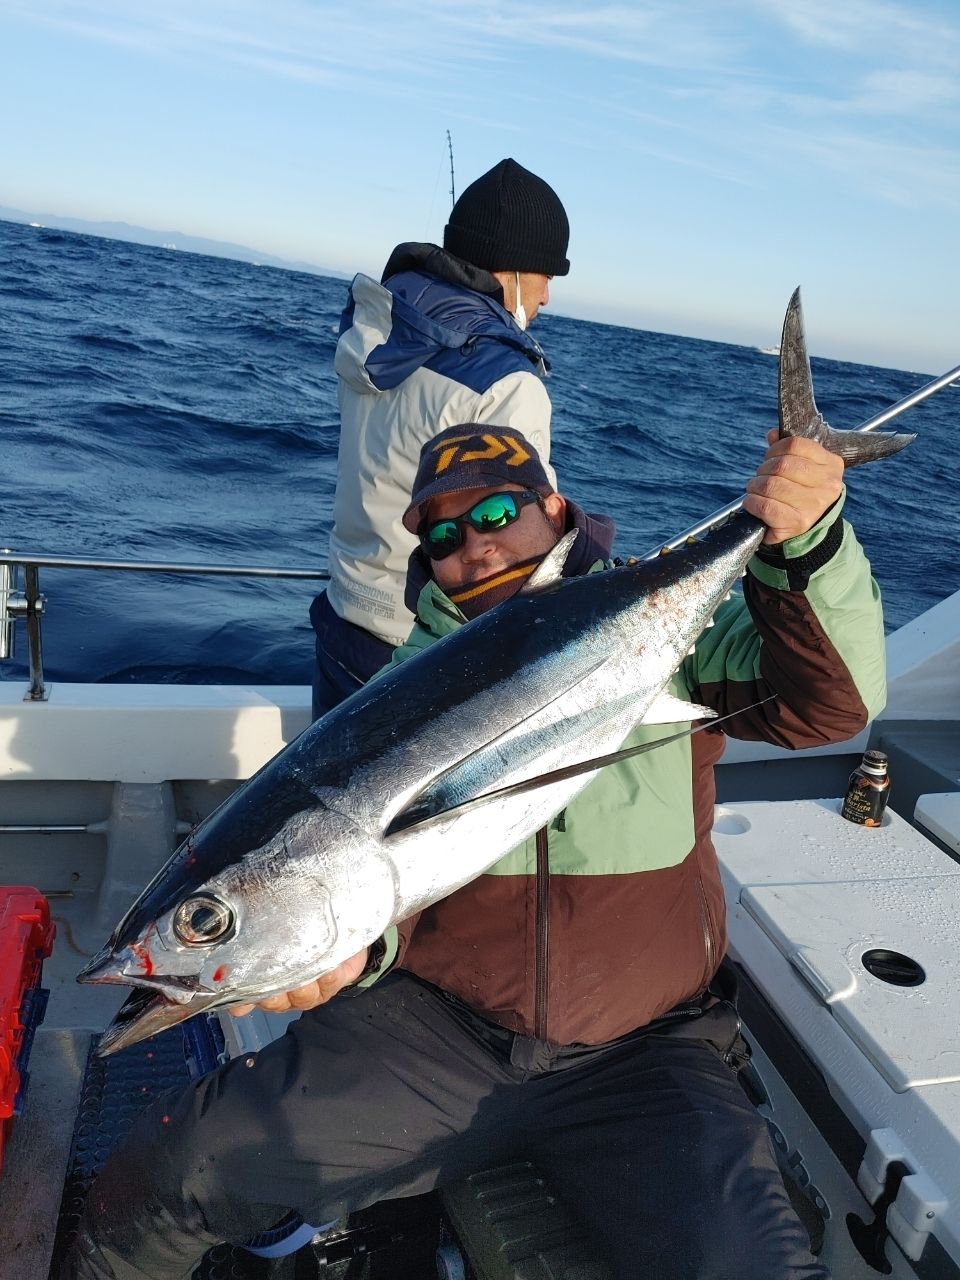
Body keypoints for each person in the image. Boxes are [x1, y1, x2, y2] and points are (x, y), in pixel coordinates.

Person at [62, 424, 886, 1280]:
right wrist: (356, 953)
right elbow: (365, 882)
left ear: (555, 508)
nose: (475, 543)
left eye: (497, 509)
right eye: (444, 535)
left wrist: (808, 541)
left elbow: (828, 708)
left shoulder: (672, 642)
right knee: (171, 1170)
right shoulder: (390, 694)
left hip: (644, 1051)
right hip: (434, 1038)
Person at [310, 157, 570, 719]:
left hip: (342, 614)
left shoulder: (374, 338)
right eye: (547, 275)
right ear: (516, 271)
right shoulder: (505, 380)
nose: (547, 297)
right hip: (419, 647)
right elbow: (520, 542)